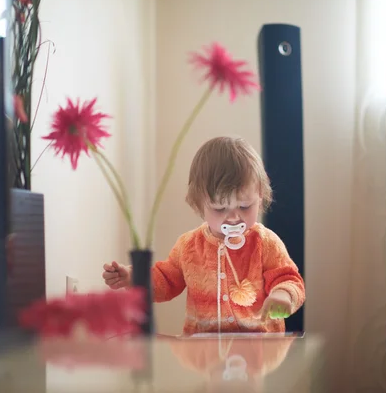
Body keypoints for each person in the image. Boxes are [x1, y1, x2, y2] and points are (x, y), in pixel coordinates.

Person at [102, 136, 305, 335]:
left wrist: (283, 295)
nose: (234, 217)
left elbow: (289, 278)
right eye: (219, 208)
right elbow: (165, 280)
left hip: (259, 348)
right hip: (203, 351)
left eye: (244, 206)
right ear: (199, 204)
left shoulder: (265, 243)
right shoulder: (189, 246)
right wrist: (134, 277)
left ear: (260, 196)